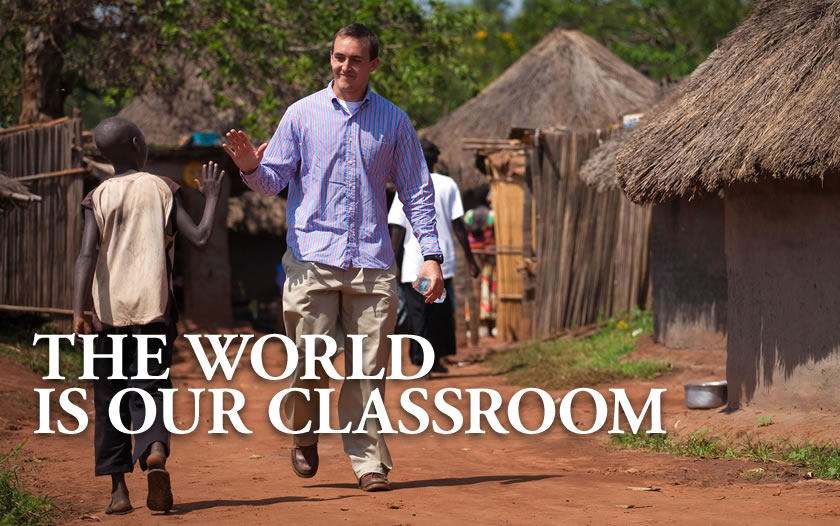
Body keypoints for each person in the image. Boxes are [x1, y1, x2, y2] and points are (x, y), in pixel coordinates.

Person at [222, 23, 444, 492]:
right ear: (331, 58)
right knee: (310, 362)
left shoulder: (395, 122)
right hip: (312, 259)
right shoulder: (301, 116)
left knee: (368, 370)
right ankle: (304, 432)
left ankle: (368, 463)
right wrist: (249, 166)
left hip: (372, 262)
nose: (345, 66)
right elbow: (272, 180)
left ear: (373, 65)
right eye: (339, 57)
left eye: (356, 59)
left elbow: (418, 193)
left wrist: (431, 256)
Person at [72, 117, 224, 514]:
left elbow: (86, 256)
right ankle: (155, 450)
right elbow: (202, 238)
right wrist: (210, 197)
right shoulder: (162, 188)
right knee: (152, 386)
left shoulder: (98, 196)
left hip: (107, 316)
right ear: (139, 144)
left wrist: (77, 313)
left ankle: (119, 492)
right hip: (153, 313)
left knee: (109, 400)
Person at [388, 139, 480, 373]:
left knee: (420, 314)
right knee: (438, 312)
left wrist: (390, 263)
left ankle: (423, 362)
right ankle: (434, 360)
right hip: (441, 264)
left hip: (414, 265)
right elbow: (458, 226)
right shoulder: (447, 184)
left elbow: (397, 229)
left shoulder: (405, 186)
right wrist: (470, 260)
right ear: (436, 159)